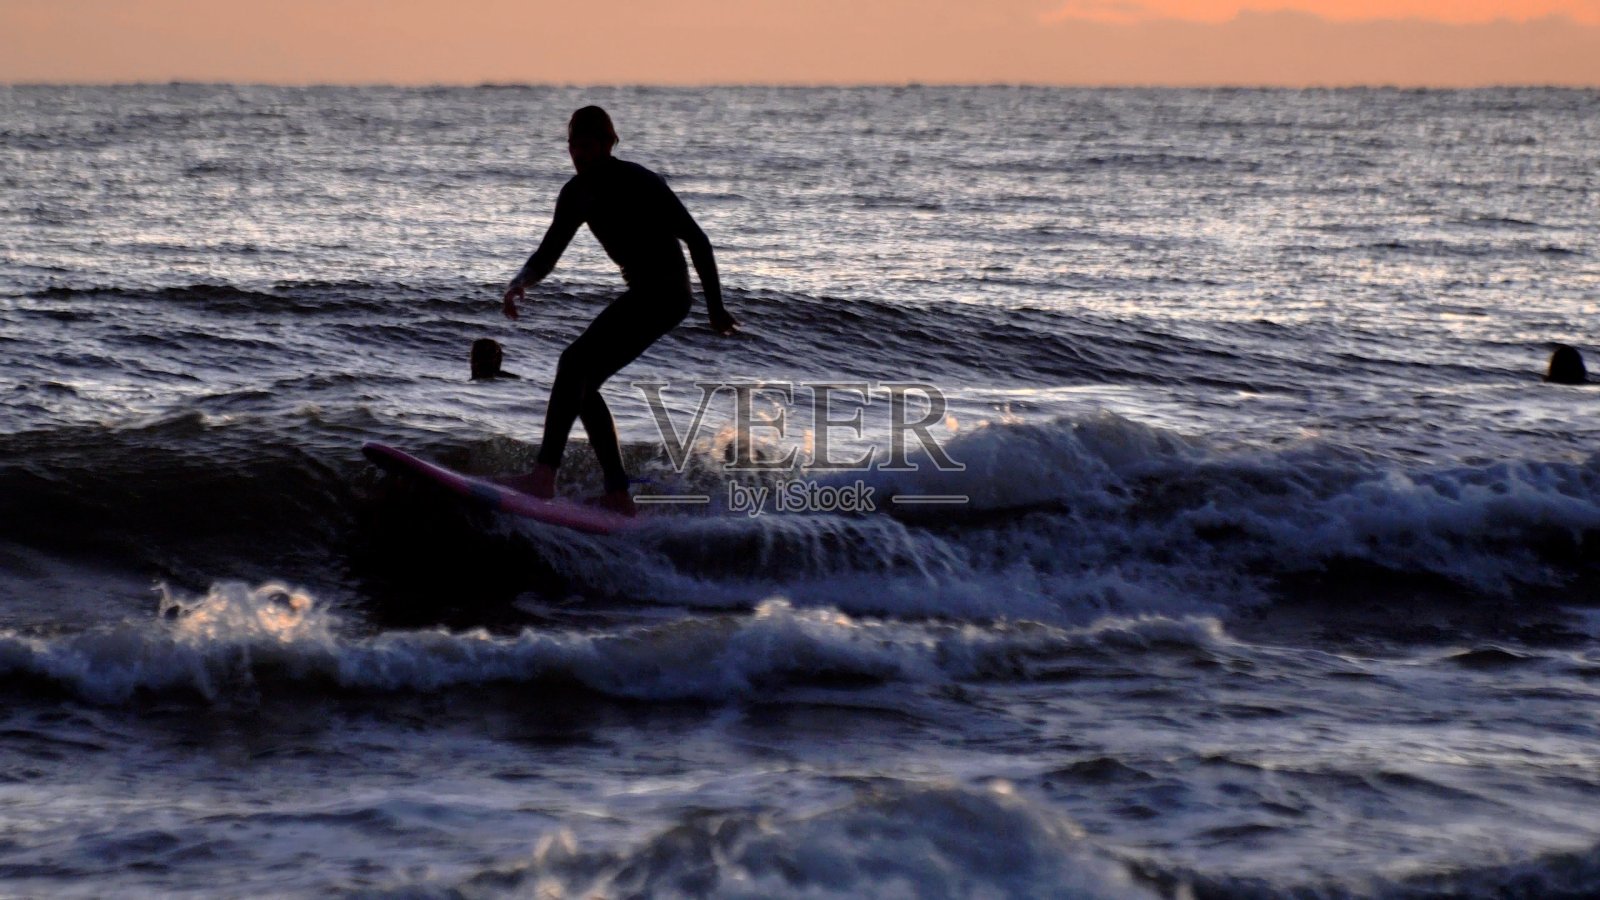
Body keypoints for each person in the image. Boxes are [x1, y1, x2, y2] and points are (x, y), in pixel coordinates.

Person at [501, 106, 737, 515]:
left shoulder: (641, 182)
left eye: (588, 146)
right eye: (574, 147)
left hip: (667, 293)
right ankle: (616, 494)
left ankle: (544, 477)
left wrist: (715, 308)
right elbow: (548, 253)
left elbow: (698, 241)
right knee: (582, 380)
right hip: (644, 292)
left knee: (573, 363)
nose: (580, 155)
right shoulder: (575, 194)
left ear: (609, 143)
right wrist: (521, 281)